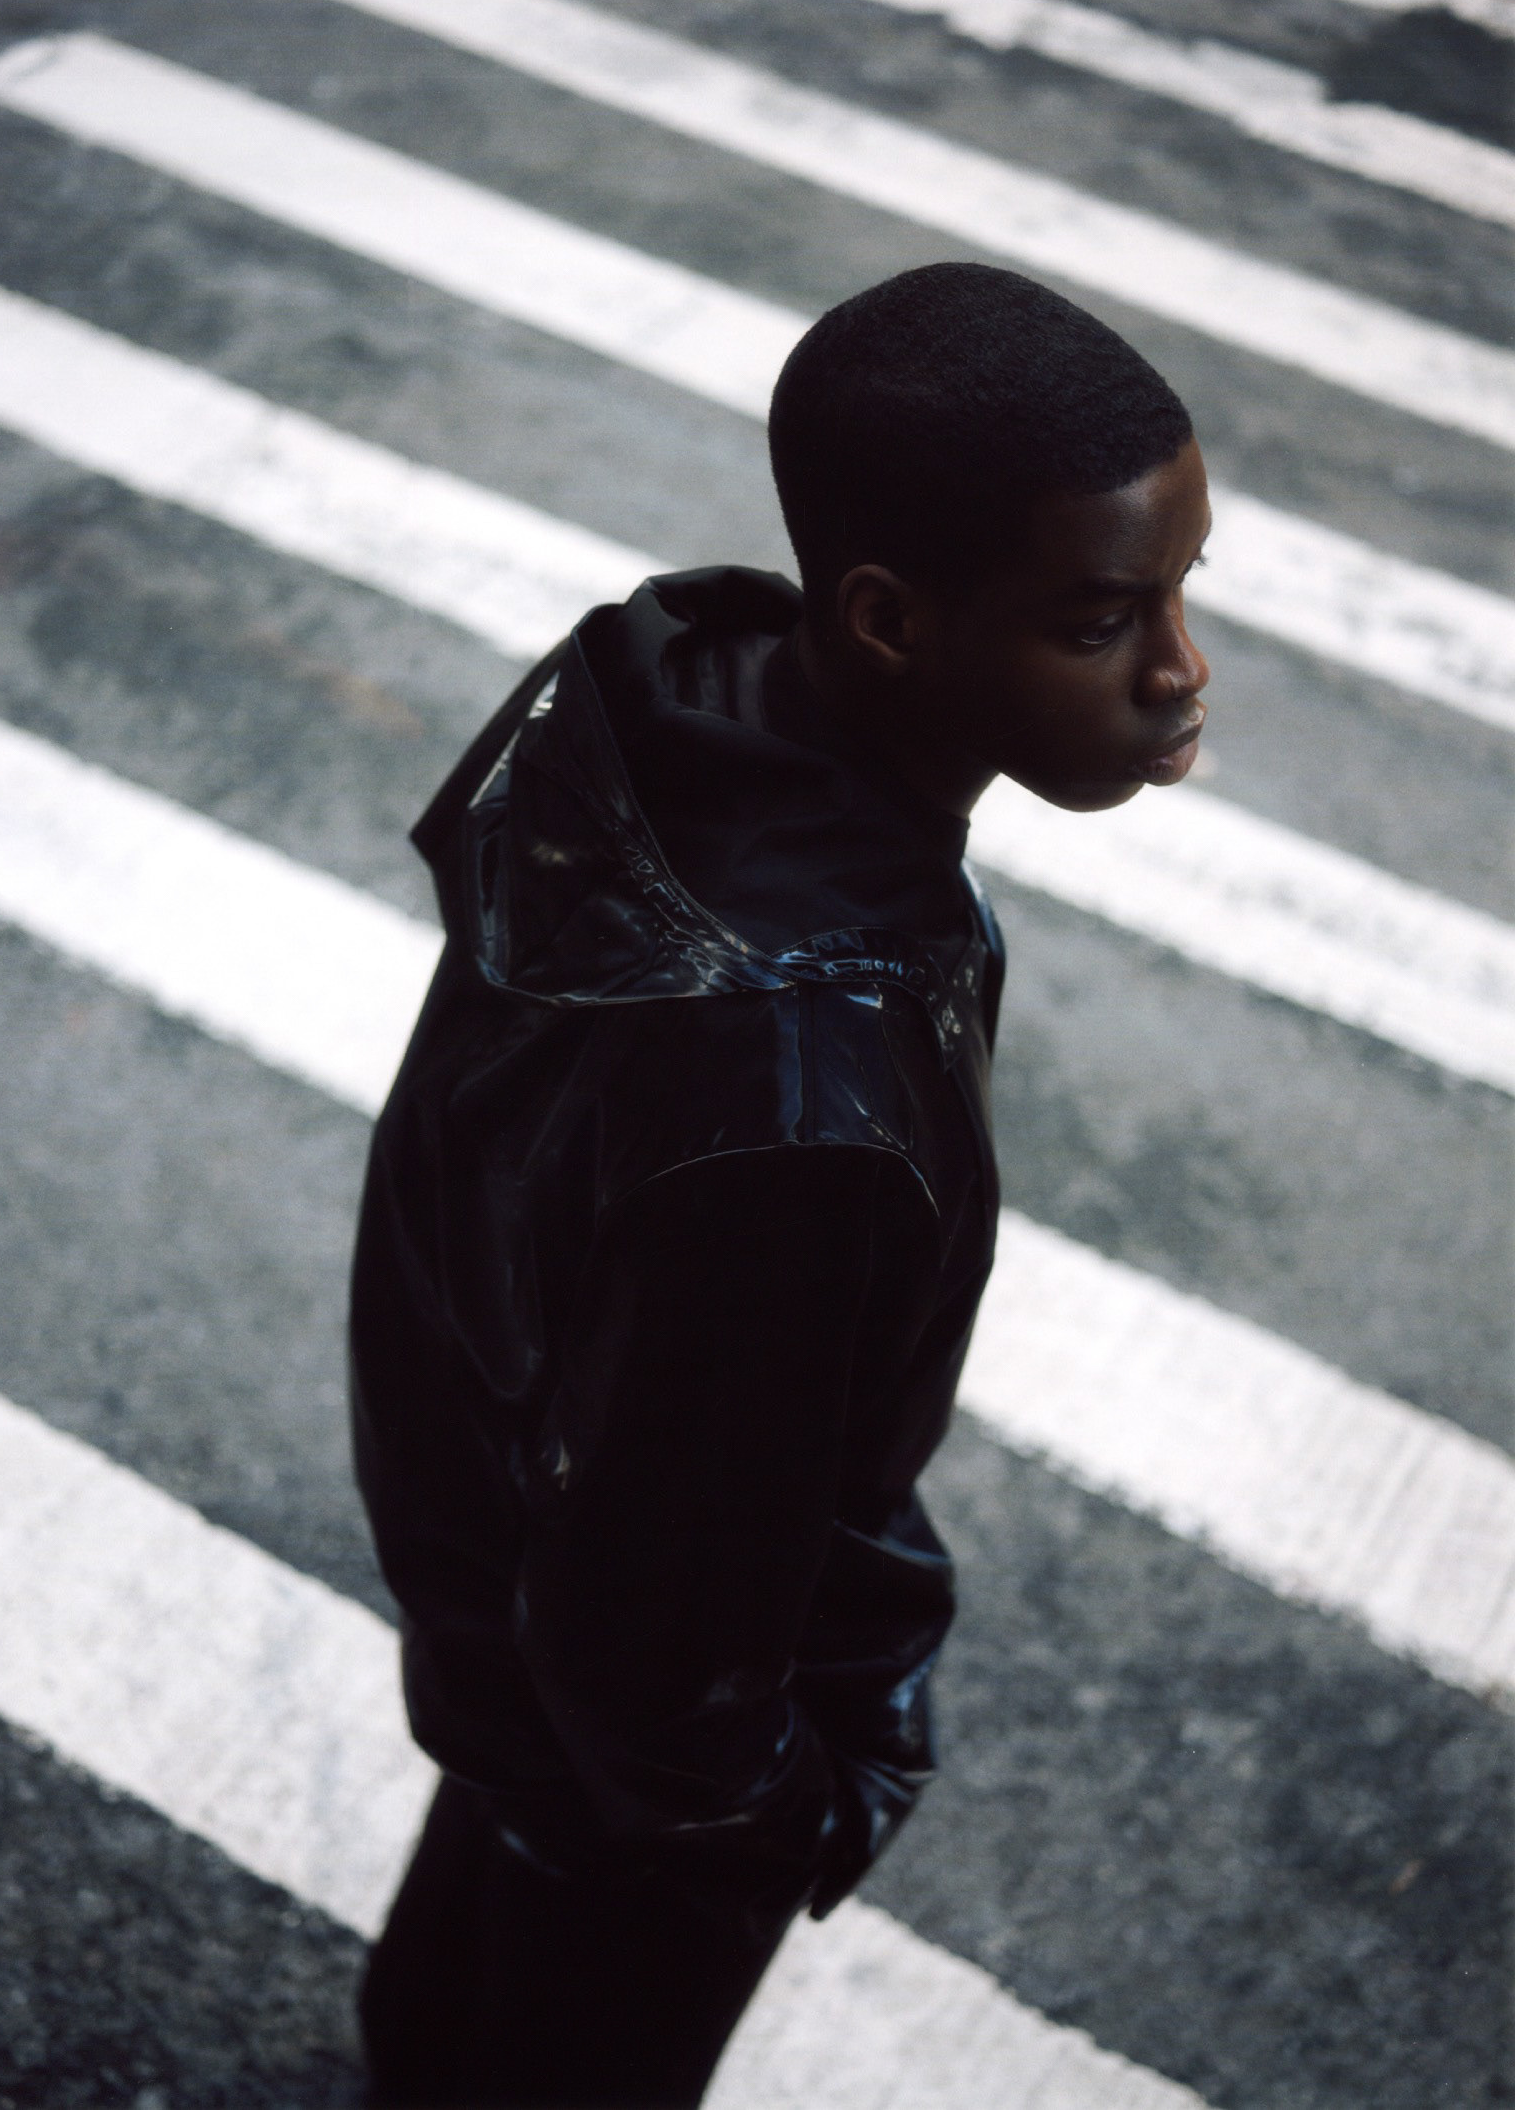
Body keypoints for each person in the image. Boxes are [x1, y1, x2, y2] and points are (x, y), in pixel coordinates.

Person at [348, 261, 1212, 2108]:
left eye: (1181, 592)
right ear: (890, 620)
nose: (1178, 672)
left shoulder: (671, 699)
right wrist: (774, 1813)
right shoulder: (803, 1101)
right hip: (643, 1769)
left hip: (503, 1606)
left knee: (455, 2004)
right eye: (1101, 620)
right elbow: (673, 1621)